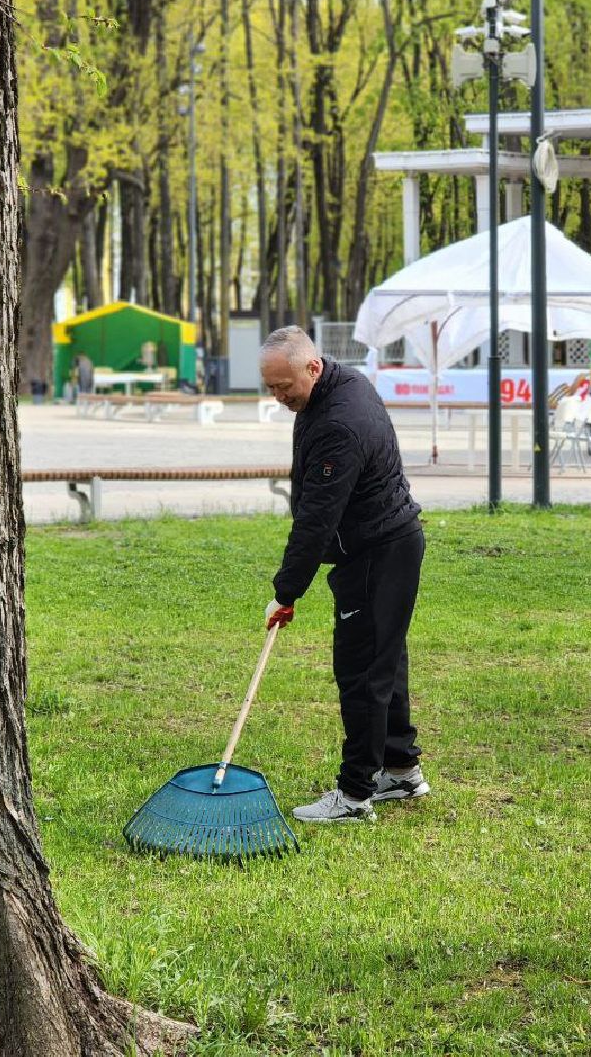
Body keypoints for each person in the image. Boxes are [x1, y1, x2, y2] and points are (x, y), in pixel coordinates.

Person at [261, 326, 429, 823]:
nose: (278, 397)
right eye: (270, 387)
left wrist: (286, 592)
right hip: (384, 543)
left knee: (361, 672)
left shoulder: (340, 422)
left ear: (313, 367)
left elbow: (316, 520)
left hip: (377, 552)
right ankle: (399, 770)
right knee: (386, 660)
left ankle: (355, 796)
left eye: (284, 386)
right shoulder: (333, 387)